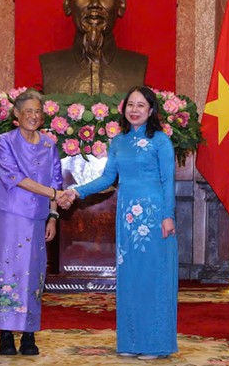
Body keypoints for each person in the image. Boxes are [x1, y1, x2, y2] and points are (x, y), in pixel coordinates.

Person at [67, 86, 178, 359]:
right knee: (130, 278)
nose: (135, 110)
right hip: (127, 219)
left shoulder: (161, 141)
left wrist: (168, 216)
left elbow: (168, 180)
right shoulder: (119, 142)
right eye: (131, 104)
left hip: (153, 218)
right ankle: (130, 342)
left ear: (151, 110)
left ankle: (153, 343)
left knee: (152, 277)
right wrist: (76, 190)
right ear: (124, 109)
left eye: (141, 105)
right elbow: (107, 179)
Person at [0, 89, 72, 355]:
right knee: (6, 272)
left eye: (37, 112)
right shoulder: (6, 141)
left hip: (36, 219)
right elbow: (15, 177)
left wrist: (53, 215)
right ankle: (5, 334)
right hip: (8, 218)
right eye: (28, 111)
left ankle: (29, 334)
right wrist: (54, 194)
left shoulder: (48, 144)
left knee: (33, 273)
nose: (33, 116)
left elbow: (56, 180)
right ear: (16, 114)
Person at [40, 0, 147, 95]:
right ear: (67, 3)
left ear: (121, 4)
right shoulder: (50, 65)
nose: (95, 3)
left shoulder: (136, 65)